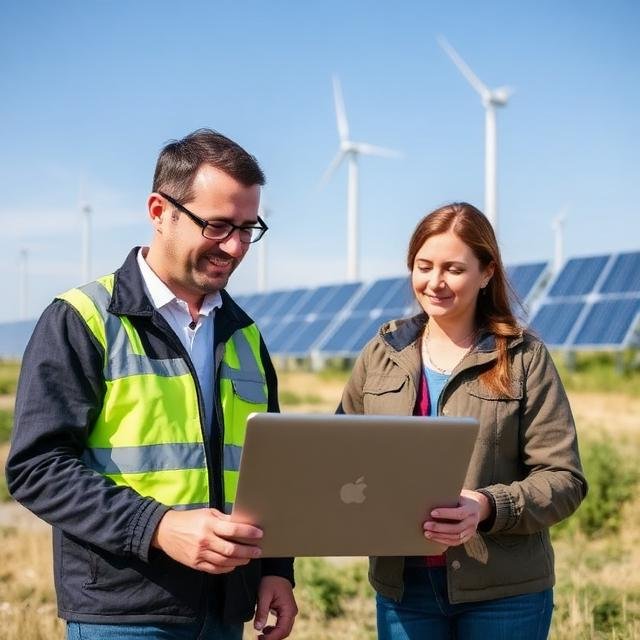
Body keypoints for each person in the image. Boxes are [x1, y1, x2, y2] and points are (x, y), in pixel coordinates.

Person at [6, 129, 297, 640]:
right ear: (159, 211)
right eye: (217, 225)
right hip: (124, 610)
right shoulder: (82, 319)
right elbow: (38, 469)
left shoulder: (245, 333)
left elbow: (268, 469)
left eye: (248, 229)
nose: (234, 246)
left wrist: (276, 569)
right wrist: (158, 528)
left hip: (227, 606)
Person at [337, 202, 587, 639]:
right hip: (404, 589)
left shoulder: (523, 358)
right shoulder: (382, 354)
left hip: (504, 592)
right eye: (424, 266)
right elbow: (340, 454)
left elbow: (564, 479)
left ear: (487, 272)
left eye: (453, 268)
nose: (435, 283)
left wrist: (487, 506)